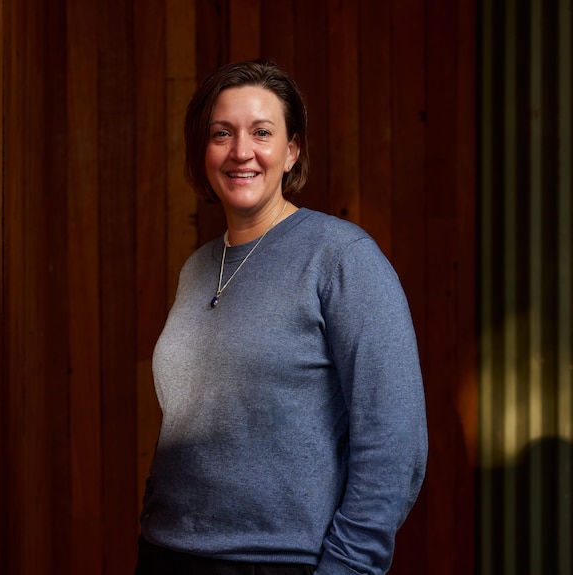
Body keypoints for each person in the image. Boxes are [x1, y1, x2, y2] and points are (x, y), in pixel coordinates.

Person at [136, 59, 427, 575]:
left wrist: (348, 568)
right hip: (168, 553)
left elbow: (395, 444)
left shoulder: (342, 257)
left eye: (262, 133)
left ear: (292, 151)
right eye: (221, 133)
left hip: (278, 563)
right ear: (203, 152)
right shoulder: (198, 268)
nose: (240, 151)